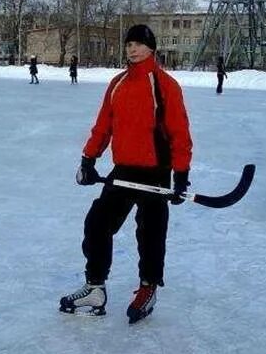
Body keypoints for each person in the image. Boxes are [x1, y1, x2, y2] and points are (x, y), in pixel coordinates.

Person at [59, 24, 193, 324]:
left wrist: (181, 175)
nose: (132, 49)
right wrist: (89, 157)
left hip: (156, 171)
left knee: (150, 233)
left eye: (139, 44)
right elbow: (104, 124)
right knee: (97, 223)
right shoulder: (117, 83)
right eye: (129, 44)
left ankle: (148, 288)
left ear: (151, 48)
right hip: (123, 170)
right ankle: (95, 286)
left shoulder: (165, 85)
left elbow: (179, 133)